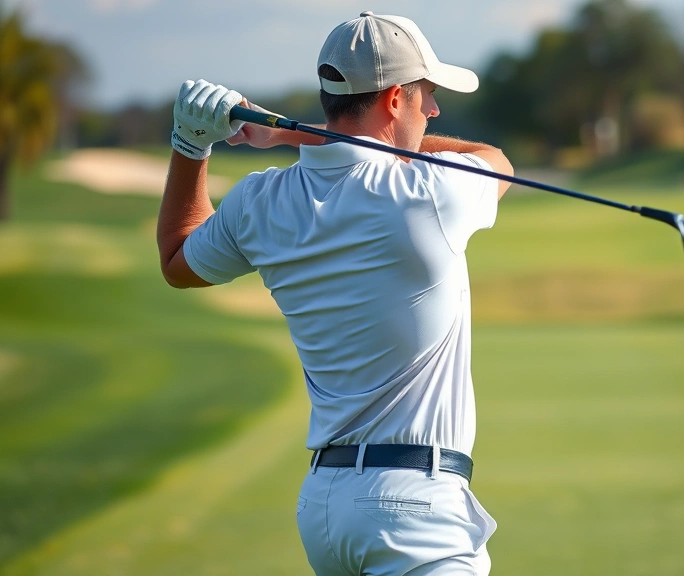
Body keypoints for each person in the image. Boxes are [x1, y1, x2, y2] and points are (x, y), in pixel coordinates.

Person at [157, 11, 513, 575]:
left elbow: (178, 261)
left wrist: (189, 145)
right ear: (395, 99)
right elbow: (496, 162)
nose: (435, 110)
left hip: (325, 508)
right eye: (426, 96)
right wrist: (290, 132)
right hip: (415, 509)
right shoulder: (428, 192)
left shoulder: (259, 201)